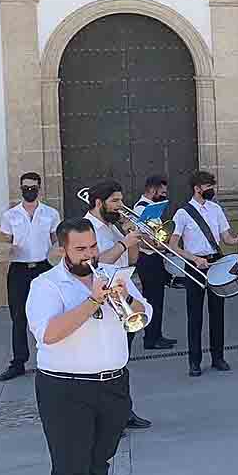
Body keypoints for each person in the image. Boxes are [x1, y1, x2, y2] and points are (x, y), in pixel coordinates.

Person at [28, 218, 151, 475]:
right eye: (80, 249)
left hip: (113, 387)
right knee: (71, 472)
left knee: (99, 465)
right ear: (62, 250)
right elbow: (49, 334)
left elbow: (145, 314)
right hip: (66, 390)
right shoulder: (46, 285)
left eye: (93, 246)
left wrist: (126, 298)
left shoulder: (113, 274)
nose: (90, 254)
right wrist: (93, 301)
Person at [84, 180, 151, 431]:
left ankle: (123, 412)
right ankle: (108, 419)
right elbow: (95, 264)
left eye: (121, 200)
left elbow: (131, 260)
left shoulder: (112, 226)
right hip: (104, 300)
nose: (121, 205)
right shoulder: (87, 228)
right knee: (105, 364)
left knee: (121, 361)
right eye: (115, 201)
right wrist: (124, 243)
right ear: (98, 202)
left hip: (122, 294)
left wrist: (133, 239)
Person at [169, 171, 238, 377]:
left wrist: (236, 240)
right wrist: (193, 258)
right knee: (195, 315)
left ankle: (218, 357)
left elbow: (226, 238)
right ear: (197, 188)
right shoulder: (183, 213)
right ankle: (194, 361)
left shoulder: (215, 209)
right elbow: (173, 245)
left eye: (212, 186)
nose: (212, 190)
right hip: (194, 265)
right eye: (208, 186)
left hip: (216, 262)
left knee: (217, 313)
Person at [0, 171, 61, 382]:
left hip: (43, 268)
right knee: (18, 317)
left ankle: (54, 358)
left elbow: (55, 241)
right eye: (25, 188)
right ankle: (18, 362)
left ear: (39, 189)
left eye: (33, 187)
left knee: (50, 313)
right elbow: (6, 243)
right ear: (21, 189)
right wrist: (8, 250)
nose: (29, 191)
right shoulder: (10, 216)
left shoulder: (51, 214)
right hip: (19, 270)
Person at [131, 175, 176, 350]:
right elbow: (140, 238)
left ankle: (157, 335)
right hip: (147, 259)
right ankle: (150, 339)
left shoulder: (152, 207)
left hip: (155, 257)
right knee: (152, 300)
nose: (164, 195)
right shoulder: (141, 208)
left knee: (158, 299)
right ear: (151, 189)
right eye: (162, 192)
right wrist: (158, 244)